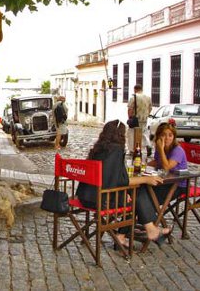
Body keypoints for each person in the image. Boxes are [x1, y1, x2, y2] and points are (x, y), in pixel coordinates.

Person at [76, 119, 173, 248]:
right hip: (101, 199)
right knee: (137, 197)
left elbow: (112, 178)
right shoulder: (116, 150)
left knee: (135, 193)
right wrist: (146, 179)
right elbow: (120, 180)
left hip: (85, 196)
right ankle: (148, 230)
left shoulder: (98, 149)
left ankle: (131, 234)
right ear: (120, 135)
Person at [147, 122, 188, 203]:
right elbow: (157, 161)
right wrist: (143, 165)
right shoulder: (160, 148)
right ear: (158, 136)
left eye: (170, 135)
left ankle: (151, 214)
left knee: (148, 198)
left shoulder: (178, 150)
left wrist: (161, 150)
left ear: (174, 137)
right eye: (163, 135)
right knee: (142, 189)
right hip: (163, 181)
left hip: (177, 185)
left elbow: (166, 167)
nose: (167, 138)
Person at [127, 84, 152, 156]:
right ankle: (148, 145)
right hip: (144, 119)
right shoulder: (148, 98)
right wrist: (146, 115)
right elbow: (150, 108)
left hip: (135, 118)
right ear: (141, 89)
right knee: (144, 133)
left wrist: (130, 118)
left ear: (135, 89)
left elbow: (130, 109)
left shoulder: (133, 97)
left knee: (131, 133)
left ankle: (132, 150)